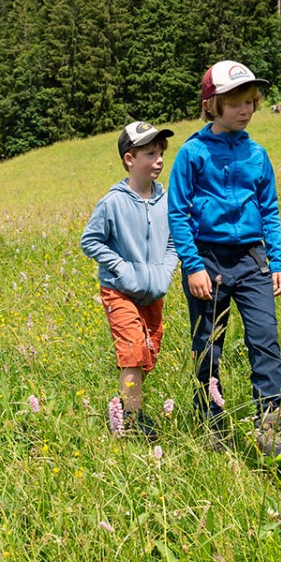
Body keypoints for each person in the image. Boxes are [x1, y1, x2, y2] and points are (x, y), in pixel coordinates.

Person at [167, 61, 281, 468]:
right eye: (235, 102)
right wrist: (193, 266)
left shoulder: (257, 154)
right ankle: (210, 421)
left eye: (250, 102)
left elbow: (269, 209)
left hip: (252, 259)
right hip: (208, 261)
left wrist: (277, 261)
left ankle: (269, 424)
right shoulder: (192, 154)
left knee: (265, 340)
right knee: (208, 346)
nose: (245, 110)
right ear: (212, 105)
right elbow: (179, 214)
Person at [81, 121, 178, 440]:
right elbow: (91, 241)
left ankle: (128, 407)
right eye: (150, 153)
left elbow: (173, 241)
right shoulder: (113, 202)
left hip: (154, 291)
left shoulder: (167, 201)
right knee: (134, 349)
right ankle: (131, 423)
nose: (159, 159)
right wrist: (121, 268)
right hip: (119, 290)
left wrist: (166, 270)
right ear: (129, 159)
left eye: (161, 152)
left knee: (147, 354)